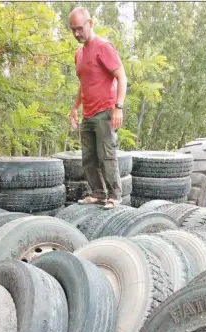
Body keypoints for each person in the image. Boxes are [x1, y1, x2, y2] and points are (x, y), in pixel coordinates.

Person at [69, 6, 127, 209]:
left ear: (90, 23)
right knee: (88, 158)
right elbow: (83, 84)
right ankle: (98, 193)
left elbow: (122, 77)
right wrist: (74, 108)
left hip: (105, 111)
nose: (77, 33)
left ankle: (115, 196)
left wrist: (118, 107)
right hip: (88, 113)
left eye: (79, 28)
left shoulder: (103, 47)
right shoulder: (79, 54)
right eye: (73, 30)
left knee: (106, 156)